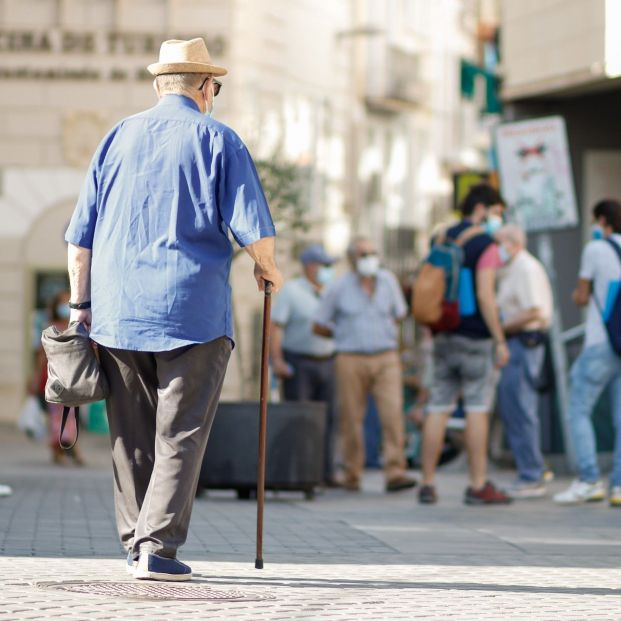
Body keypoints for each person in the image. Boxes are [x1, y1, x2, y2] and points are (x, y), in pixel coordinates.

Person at [64, 37, 282, 581]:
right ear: (205, 87)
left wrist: (80, 306)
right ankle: (156, 549)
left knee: (129, 437)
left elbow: (79, 240)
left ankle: (136, 542)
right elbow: (255, 230)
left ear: (159, 85)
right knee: (180, 432)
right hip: (193, 312)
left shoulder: (116, 137)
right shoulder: (218, 139)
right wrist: (267, 268)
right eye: (216, 87)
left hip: (118, 312)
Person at [419, 184, 512, 505]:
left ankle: (427, 483)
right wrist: (499, 338)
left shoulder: (440, 237)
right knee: (476, 407)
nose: (498, 219)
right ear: (483, 208)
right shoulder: (485, 244)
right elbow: (486, 295)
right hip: (475, 337)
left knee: (438, 407)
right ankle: (477, 483)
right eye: (497, 212)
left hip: (442, 333)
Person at [313, 237, 416, 493]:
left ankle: (395, 472)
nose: (369, 257)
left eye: (372, 252)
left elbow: (401, 316)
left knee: (393, 414)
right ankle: (352, 473)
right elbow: (318, 324)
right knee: (351, 417)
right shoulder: (338, 287)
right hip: (350, 357)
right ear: (351, 258)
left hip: (386, 356)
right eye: (363, 254)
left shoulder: (389, 281)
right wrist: (341, 336)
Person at [554, 199, 621, 507]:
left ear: (603, 221)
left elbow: (582, 295)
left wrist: (577, 294)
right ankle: (618, 487)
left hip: (601, 342)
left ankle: (589, 479)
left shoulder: (596, 249)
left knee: (578, 408)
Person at [270, 243, 338, 485]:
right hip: (298, 362)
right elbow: (276, 327)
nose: (329, 269)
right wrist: (277, 361)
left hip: (328, 361)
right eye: (325, 265)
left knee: (328, 418)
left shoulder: (332, 291)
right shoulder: (292, 291)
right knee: (299, 418)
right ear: (310, 266)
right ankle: (298, 472)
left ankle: (325, 473)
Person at [495, 224, 553, 498]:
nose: (495, 249)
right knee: (514, 407)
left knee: (521, 407)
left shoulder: (526, 268)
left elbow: (534, 310)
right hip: (517, 343)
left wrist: (500, 328)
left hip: (524, 342)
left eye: (499, 242)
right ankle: (530, 470)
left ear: (512, 242)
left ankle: (531, 474)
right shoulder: (513, 268)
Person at [31, 290, 85, 466]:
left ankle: (63, 445)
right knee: (57, 414)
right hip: (53, 377)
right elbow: (42, 354)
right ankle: (66, 443)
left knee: (71, 413)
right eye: (62, 303)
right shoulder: (50, 326)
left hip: (72, 377)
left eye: (67, 303)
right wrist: (35, 378)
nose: (65, 306)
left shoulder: (77, 325)